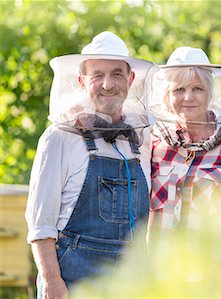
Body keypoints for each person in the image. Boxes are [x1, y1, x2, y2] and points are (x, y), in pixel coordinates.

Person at [25, 31, 155, 298]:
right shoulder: (59, 137)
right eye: (97, 74)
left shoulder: (142, 140)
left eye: (117, 74)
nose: (108, 84)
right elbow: (41, 225)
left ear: (130, 80)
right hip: (72, 283)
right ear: (82, 82)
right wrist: (51, 281)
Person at [145, 46, 221, 282]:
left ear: (210, 93)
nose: (188, 97)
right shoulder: (153, 143)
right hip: (160, 282)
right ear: (167, 96)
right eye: (178, 89)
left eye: (197, 89)